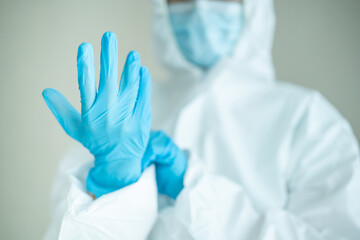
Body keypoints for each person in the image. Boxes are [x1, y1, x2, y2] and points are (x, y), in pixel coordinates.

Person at [42, 0, 360, 239]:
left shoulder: (308, 119)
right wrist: (112, 189)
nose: (201, 7)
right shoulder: (117, 120)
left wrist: (198, 194)